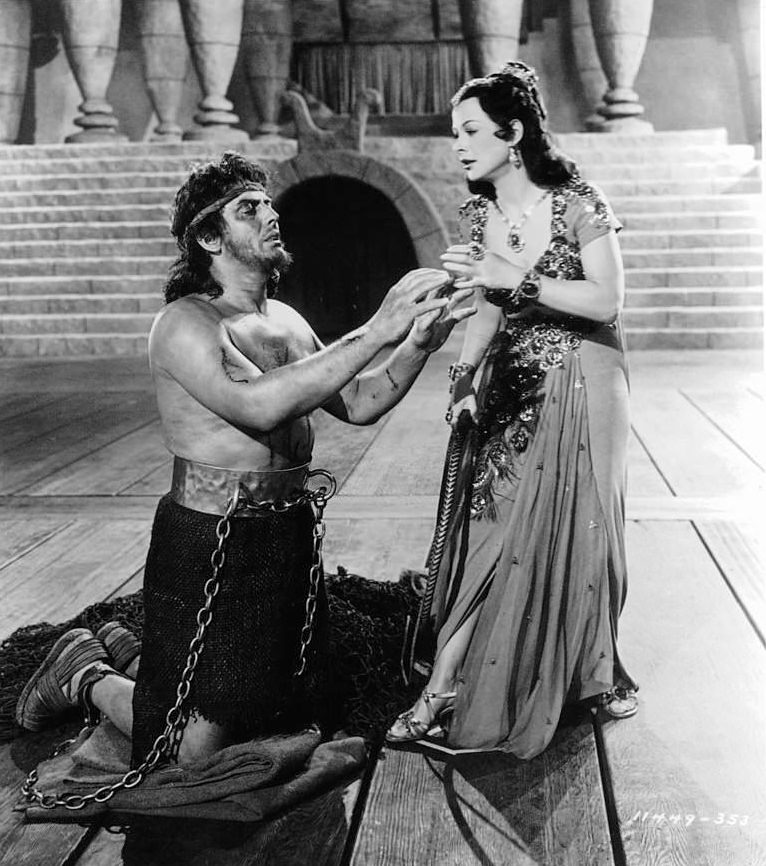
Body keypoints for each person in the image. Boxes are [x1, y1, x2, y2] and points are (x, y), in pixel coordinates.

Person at [15, 151, 474, 775]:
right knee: (187, 751)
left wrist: (420, 341)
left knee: (285, 710)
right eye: (248, 209)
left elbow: (361, 402)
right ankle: (83, 672)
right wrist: (377, 328)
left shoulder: (285, 320)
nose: (271, 216)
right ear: (209, 237)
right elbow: (256, 407)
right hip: (211, 541)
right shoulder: (184, 324)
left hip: (286, 533)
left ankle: (136, 660)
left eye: (268, 204)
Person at [386, 61, 638, 759]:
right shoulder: (477, 213)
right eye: (454, 133)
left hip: (586, 378)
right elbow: (487, 312)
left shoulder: (579, 201)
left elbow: (606, 302)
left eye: (470, 130)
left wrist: (515, 278)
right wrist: (465, 378)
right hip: (512, 380)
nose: (459, 145)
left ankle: (578, 673)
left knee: (573, 529)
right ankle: (441, 686)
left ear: (514, 132)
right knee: (487, 528)